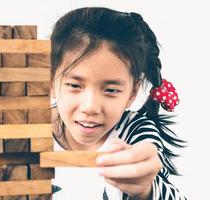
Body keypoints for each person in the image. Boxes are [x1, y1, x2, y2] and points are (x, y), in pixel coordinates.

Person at [50, 7, 187, 200]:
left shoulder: (136, 132)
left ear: (132, 92)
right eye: (74, 85)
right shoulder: (25, 130)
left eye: (111, 90)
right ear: (50, 83)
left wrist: (146, 189)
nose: (90, 107)